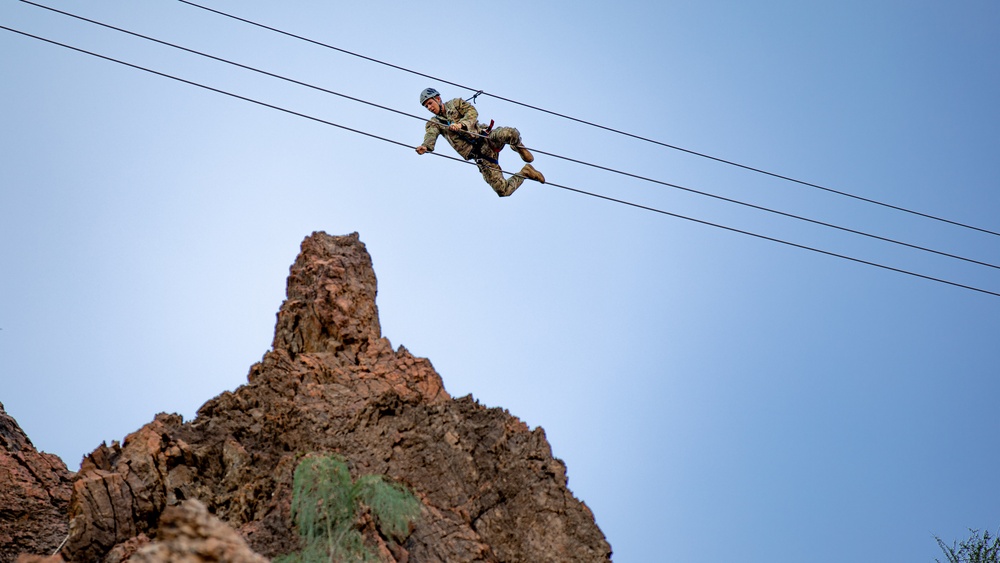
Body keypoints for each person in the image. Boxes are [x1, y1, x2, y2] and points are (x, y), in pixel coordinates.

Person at [415, 87, 545, 197]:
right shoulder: (434, 123)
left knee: (511, 133)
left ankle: (518, 147)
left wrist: (461, 125)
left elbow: (472, 112)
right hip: (480, 156)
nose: (429, 107)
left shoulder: (456, 103)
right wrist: (425, 146)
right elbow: (431, 134)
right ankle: (526, 172)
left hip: (486, 138)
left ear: (438, 99)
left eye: (430, 103)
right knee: (503, 190)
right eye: (426, 106)